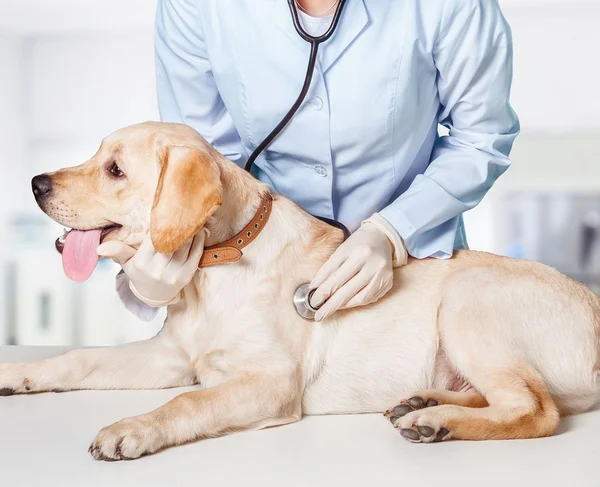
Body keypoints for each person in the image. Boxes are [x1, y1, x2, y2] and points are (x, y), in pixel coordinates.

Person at [98, 0, 519, 323]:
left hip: (412, 272)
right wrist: (159, 279)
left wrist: (394, 230)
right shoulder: (197, 7)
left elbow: (481, 138)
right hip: (256, 275)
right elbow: (201, 166)